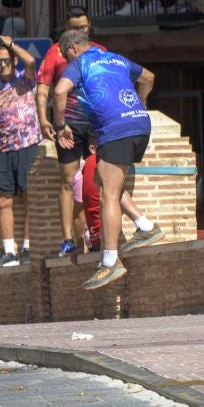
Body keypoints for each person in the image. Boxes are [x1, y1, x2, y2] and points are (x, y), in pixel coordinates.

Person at [50, 27, 163, 289]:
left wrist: (60, 125)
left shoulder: (80, 63)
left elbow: (59, 91)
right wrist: (140, 100)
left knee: (107, 195)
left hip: (115, 129)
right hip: (139, 124)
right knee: (102, 178)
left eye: (66, 57)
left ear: (72, 49)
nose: (68, 62)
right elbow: (148, 77)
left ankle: (110, 262)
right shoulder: (115, 58)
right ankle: (145, 225)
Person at [36, 12, 101, 256]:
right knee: (69, 181)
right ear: (66, 28)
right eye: (75, 27)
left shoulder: (100, 50)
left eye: (84, 27)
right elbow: (43, 90)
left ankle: (96, 235)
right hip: (69, 126)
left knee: (97, 179)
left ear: (89, 26)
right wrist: (44, 120)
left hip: (95, 124)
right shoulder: (56, 52)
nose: (80, 31)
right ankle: (68, 240)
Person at [0, 34, 42, 267]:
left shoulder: (25, 79)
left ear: (13, 61)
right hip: (3, 149)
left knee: (29, 196)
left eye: (6, 60)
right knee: (3, 201)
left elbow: (30, 61)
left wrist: (11, 45)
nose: (2, 65)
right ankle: (8, 252)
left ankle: (28, 247)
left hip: (28, 144)